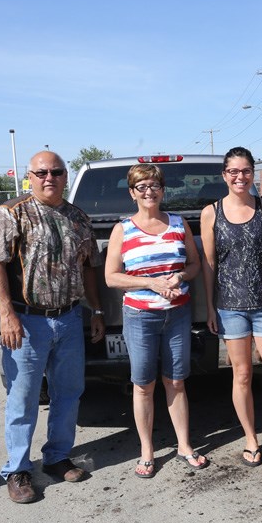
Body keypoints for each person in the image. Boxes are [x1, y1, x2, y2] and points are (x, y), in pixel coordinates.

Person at [0, 150, 105, 504]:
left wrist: (96, 310)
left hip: (69, 319)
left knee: (68, 393)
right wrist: (6, 314)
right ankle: (18, 469)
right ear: (30, 177)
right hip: (26, 322)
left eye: (56, 171)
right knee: (22, 398)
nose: (49, 177)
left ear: (66, 176)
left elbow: (89, 268)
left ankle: (56, 457)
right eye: (41, 172)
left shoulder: (79, 218)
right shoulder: (11, 214)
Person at [104, 163, 209, 478]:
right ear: (133, 193)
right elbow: (111, 277)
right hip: (140, 316)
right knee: (144, 384)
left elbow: (194, 263)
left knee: (176, 380)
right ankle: (147, 451)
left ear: (163, 190)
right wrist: (150, 284)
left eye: (154, 186)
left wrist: (178, 276)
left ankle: (184, 446)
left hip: (177, 313)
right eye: (141, 187)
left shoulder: (178, 224)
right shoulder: (123, 229)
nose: (149, 192)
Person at [200, 147, 262, 467]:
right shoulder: (211, 213)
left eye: (245, 171)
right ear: (224, 175)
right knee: (241, 376)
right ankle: (251, 439)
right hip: (231, 309)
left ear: (253, 174)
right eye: (233, 172)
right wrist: (210, 307)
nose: (239, 177)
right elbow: (209, 265)